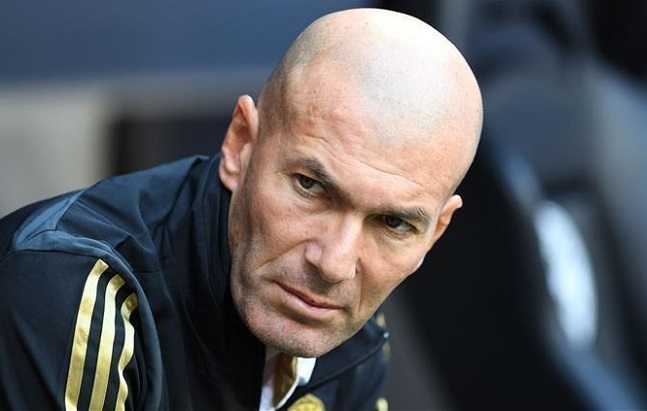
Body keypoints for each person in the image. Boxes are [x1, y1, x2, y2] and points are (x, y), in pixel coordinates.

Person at [0, 7, 482, 411]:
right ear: (240, 145)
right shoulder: (74, 293)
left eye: (393, 222)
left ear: (434, 233)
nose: (334, 264)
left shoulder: (348, 327)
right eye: (311, 186)